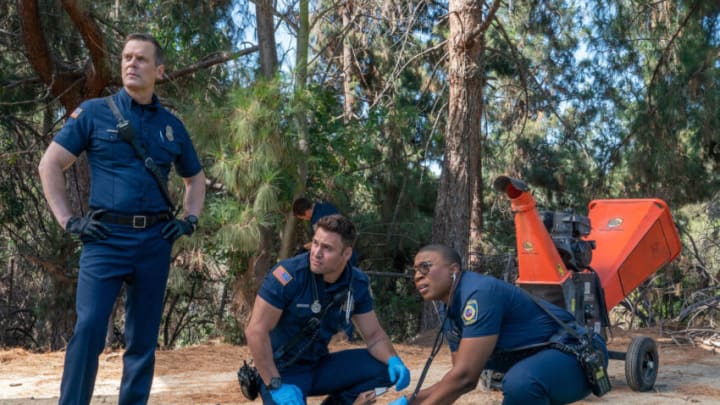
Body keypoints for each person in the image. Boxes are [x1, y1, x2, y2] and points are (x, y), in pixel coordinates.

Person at [38, 33, 206, 405]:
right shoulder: (95, 112)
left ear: (159, 71)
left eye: (141, 59)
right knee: (89, 329)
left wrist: (189, 220)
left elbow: (195, 179)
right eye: (127, 57)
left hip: (154, 243)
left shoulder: (172, 126)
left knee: (142, 340)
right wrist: (69, 220)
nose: (131, 63)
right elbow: (50, 163)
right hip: (104, 240)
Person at [390, 244, 608, 405]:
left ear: (453, 269)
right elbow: (459, 378)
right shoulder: (449, 308)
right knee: (521, 381)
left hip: (578, 356)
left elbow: (464, 378)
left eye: (425, 267)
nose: (418, 276)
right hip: (542, 365)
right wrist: (410, 401)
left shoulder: (478, 294)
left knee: (520, 383)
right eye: (415, 271)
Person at [245, 214, 410, 405]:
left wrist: (393, 360)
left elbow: (374, 335)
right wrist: (276, 386)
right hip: (282, 371)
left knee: (382, 368)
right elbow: (256, 331)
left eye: (327, 248)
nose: (316, 252)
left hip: (319, 365)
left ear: (346, 254)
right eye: (315, 243)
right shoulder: (287, 275)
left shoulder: (356, 283)